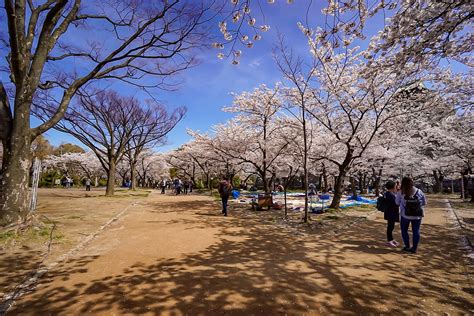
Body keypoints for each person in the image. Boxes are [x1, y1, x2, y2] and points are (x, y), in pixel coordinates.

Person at [396, 177, 427, 253]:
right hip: (417, 215)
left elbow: (397, 202)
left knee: (404, 231)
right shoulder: (419, 191)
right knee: (416, 231)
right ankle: (414, 248)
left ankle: (407, 246)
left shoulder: (401, 192)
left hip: (405, 215)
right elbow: (424, 202)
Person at [383, 180, 399, 247]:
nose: (396, 187)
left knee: (391, 227)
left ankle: (391, 239)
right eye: (395, 186)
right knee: (390, 227)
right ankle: (389, 241)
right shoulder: (391, 195)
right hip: (391, 213)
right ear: (392, 187)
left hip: (389, 213)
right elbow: (395, 204)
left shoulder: (387, 193)